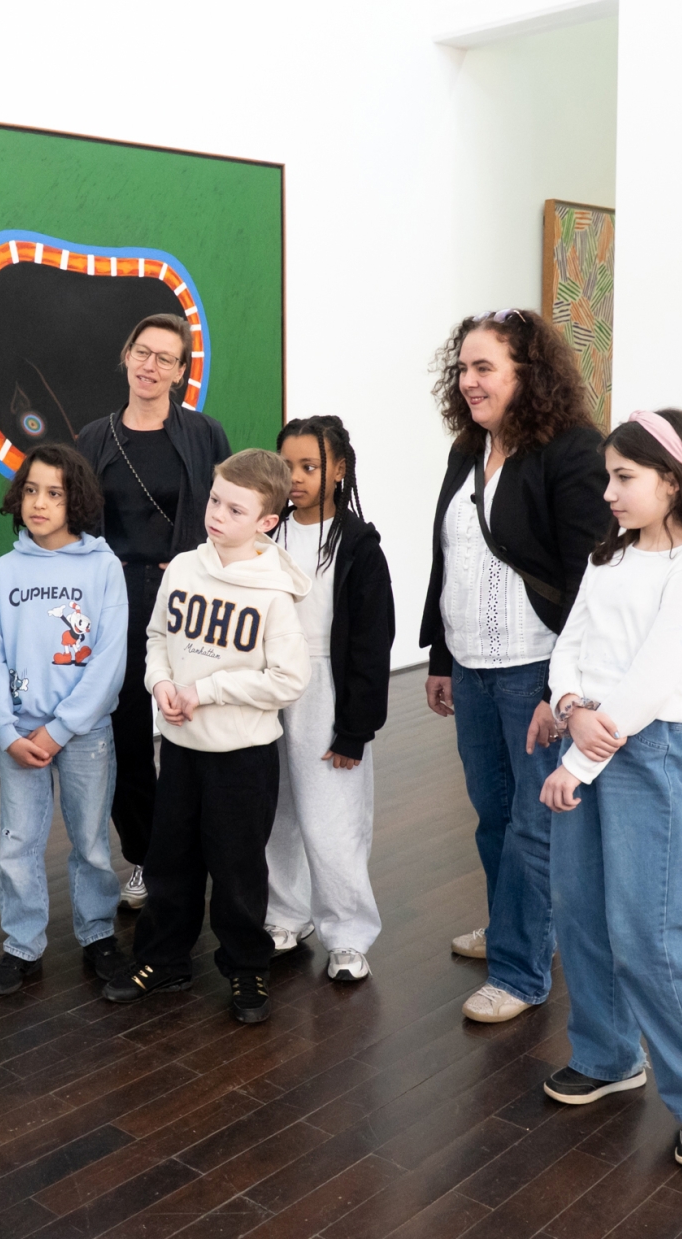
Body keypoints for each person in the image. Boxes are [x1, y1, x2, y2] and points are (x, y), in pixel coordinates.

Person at [537, 408, 682, 1171]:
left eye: (624, 478)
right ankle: (607, 1054)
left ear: (673, 478)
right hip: (588, 732)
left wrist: (578, 758)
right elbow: (572, 643)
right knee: (581, 911)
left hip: (651, 747)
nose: (609, 492)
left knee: (651, 932)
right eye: (608, 477)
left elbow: (653, 679)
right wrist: (566, 706)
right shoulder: (612, 552)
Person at [417, 308, 612, 1024]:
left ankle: (522, 971)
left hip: (535, 669)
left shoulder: (571, 451)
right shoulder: (467, 450)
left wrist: (564, 691)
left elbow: (588, 578)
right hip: (470, 666)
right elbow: (450, 560)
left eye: (484, 367)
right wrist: (439, 655)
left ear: (528, 375)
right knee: (493, 815)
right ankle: (513, 926)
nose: (468, 381)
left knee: (534, 823)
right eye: (462, 368)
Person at [101, 450, 309, 1025]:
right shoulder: (186, 568)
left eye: (235, 508)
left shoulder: (273, 590)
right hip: (182, 751)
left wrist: (208, 690)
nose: (217, 514)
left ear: (267, 521)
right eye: (216, 500)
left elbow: (289, 679)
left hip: (242, 755)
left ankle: (247, 968)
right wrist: (161, 682)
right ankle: (163, 959)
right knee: (171, 862)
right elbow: (157, 637)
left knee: (239, 868)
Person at [77, 313, 230, 909]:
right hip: (116, 601)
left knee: (191, 726)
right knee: (128, 734)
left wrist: (192, 563)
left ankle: (202, 852)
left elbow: (226, 510)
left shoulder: (204, 434)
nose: (152, 366)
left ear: (181, 371)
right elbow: (82, 521)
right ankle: (144, 857)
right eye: (143, 352)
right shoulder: (95, 438)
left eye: (166, 358)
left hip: (187, 598)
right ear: (126, 355)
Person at [0, 445, 131, 994]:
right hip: (18, 735)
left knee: (90, 841)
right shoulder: (3, 572)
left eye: (55, 493)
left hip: (84, 733)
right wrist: (5, 731)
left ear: (76, 500)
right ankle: (22, 945)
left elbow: (109, 661)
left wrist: (61, 728)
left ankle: (97, 934)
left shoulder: (103, 567)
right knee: (17, 843)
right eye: (33, 490)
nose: (39, 503)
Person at [263, 416, 393, 983]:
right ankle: (284, 914)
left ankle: (347, 932)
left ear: (338, 470)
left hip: (328, 691)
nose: (295, 477)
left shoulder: (359, 546)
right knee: (277, 812)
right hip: (270, 687)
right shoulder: (265, 537)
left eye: (310, 466)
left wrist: (354, 730)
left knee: (332, 818)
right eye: (286, 465)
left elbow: (372, 643)